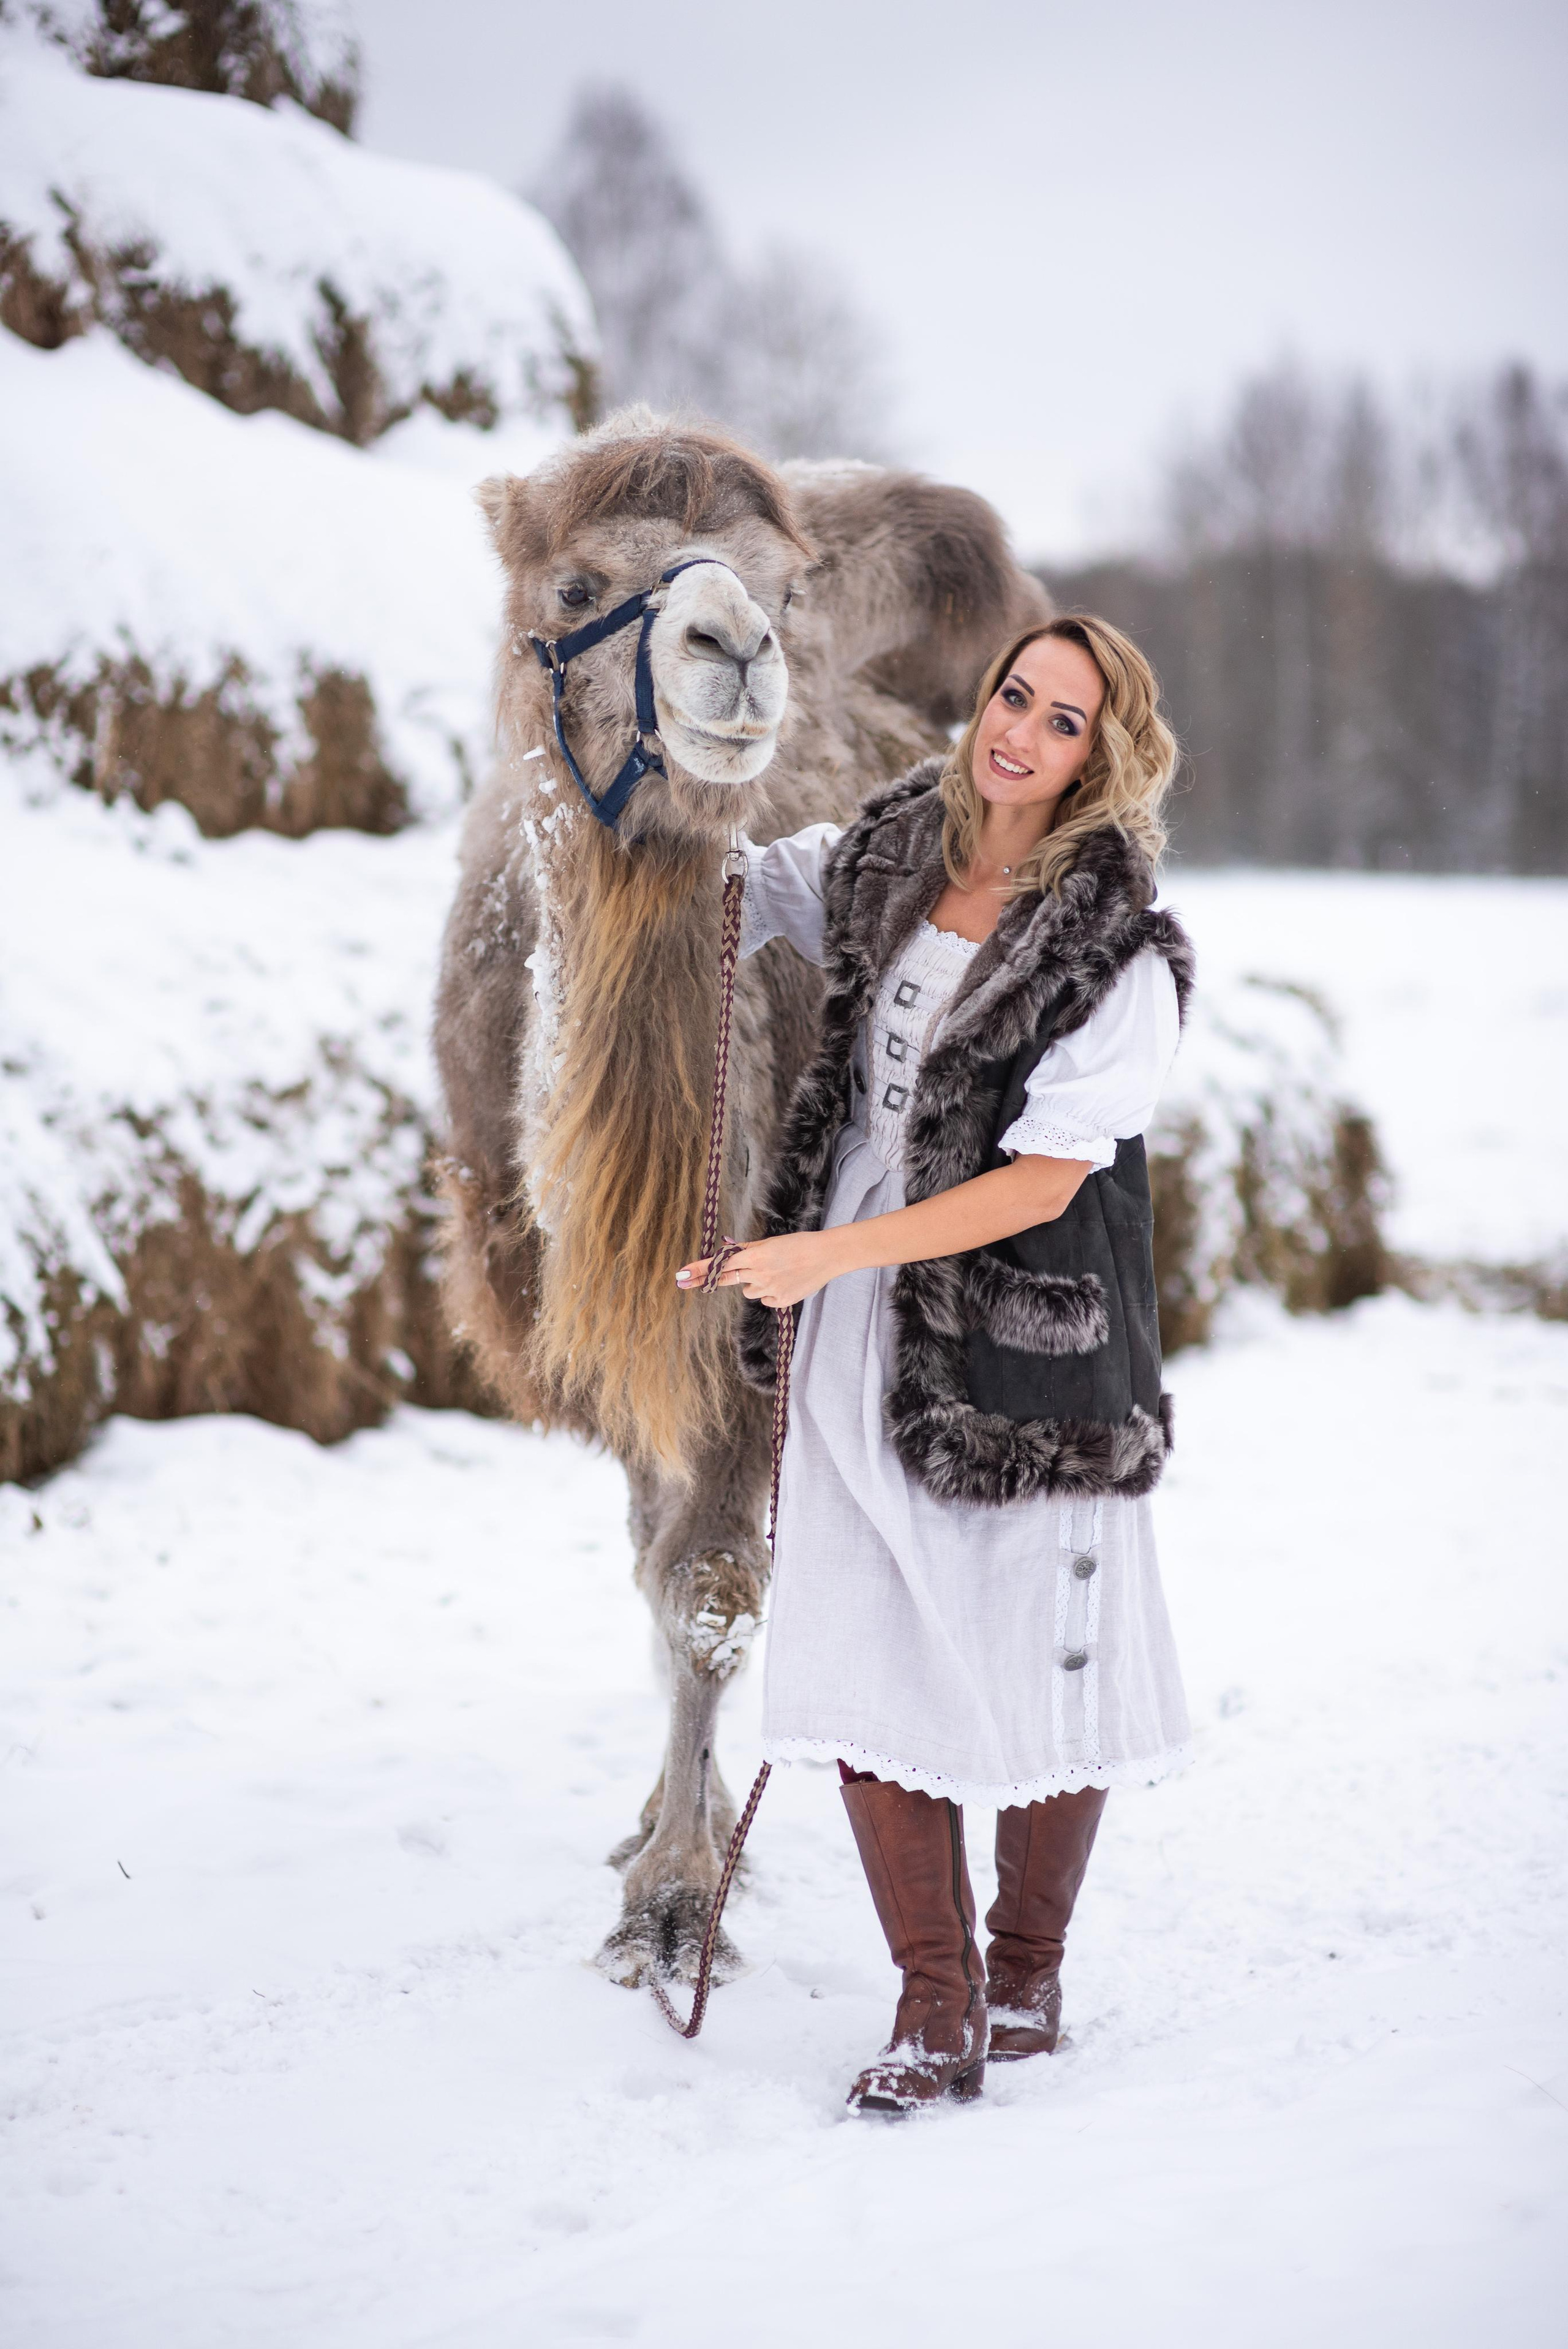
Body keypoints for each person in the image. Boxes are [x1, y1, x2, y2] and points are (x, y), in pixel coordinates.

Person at [679, 615, 1194, 2116]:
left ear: (1102, 755)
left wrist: (822, 1254)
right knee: (857, 1630)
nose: (1017, 732)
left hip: (1024, 1321)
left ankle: (1024, 1970)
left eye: (1062, 720)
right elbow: (725, 880)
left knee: (1036, 1636)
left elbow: (1040, 1182)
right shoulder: (887, 851)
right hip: (855, 1310)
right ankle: (935, 2001)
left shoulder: (1118, 949)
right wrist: (669, 767)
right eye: (1012, 697)